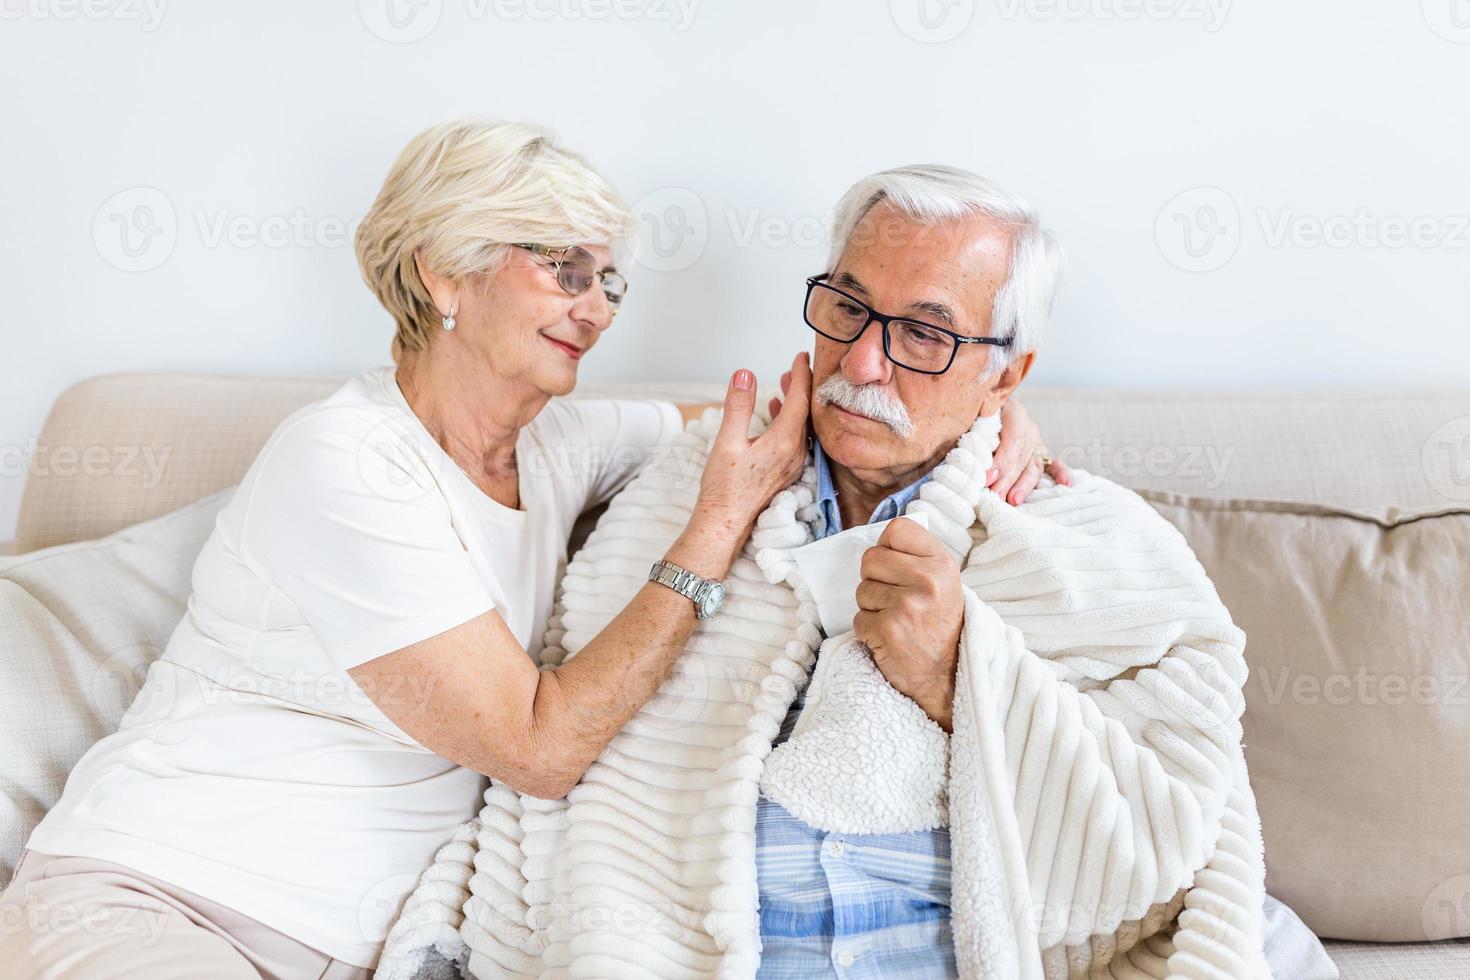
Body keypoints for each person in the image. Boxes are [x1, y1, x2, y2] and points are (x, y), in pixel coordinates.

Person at [0, 120, 1062, 978]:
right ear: (444, 274)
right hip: (167, 899)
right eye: (563, 270)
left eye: (608, 280)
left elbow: (802, 417)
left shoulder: (558, 444)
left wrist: (991, 415)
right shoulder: (343, 460)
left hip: (356, 948)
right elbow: (540, 745)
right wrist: (710, 529)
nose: (596, 309)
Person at [392, 163, 1340, 980]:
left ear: (1008, 374)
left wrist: (961, 675)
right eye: (847, 308)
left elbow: (1158, 844)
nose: (865, 362)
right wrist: (721, 519)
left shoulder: (1088, 538)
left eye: (925, 334)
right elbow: (569, 763)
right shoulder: (696, 484)